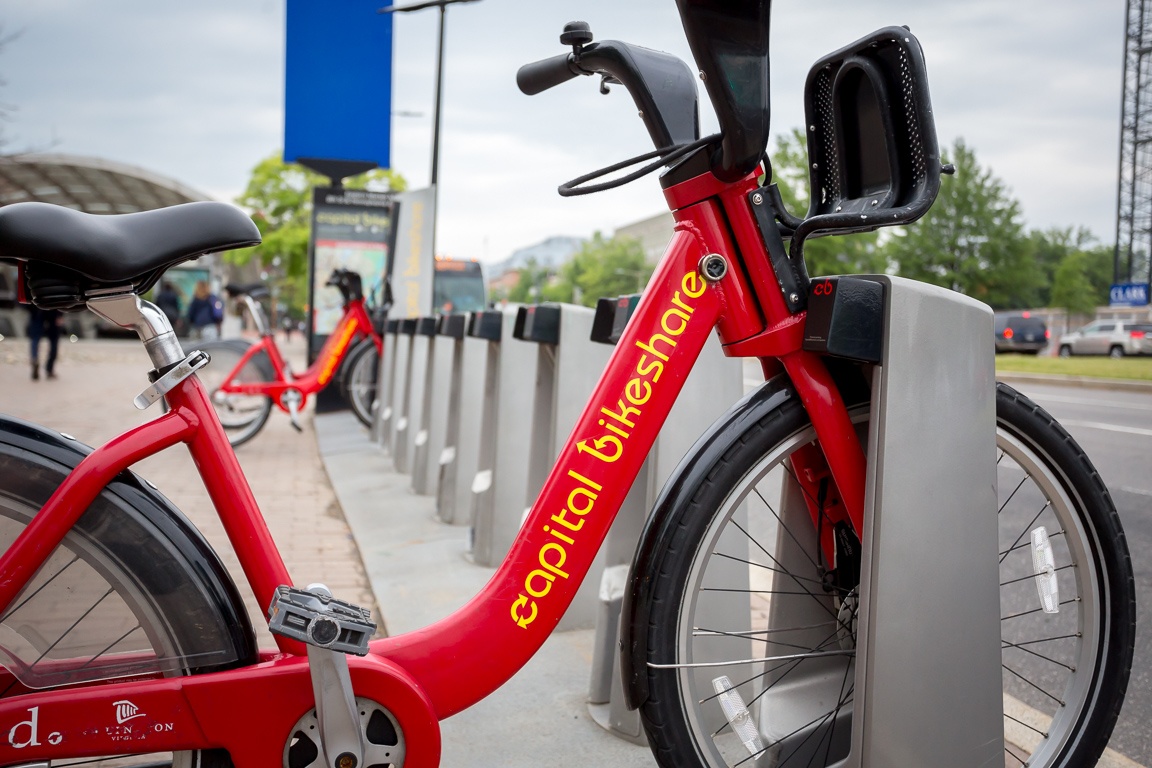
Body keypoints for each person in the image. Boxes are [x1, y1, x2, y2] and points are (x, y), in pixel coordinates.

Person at [27, 305, 62, 380]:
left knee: (35, 338)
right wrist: (60, 314)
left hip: (37, 309)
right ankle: (49, 368)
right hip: (53, 309)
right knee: (53, 340)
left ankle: (35, 359)